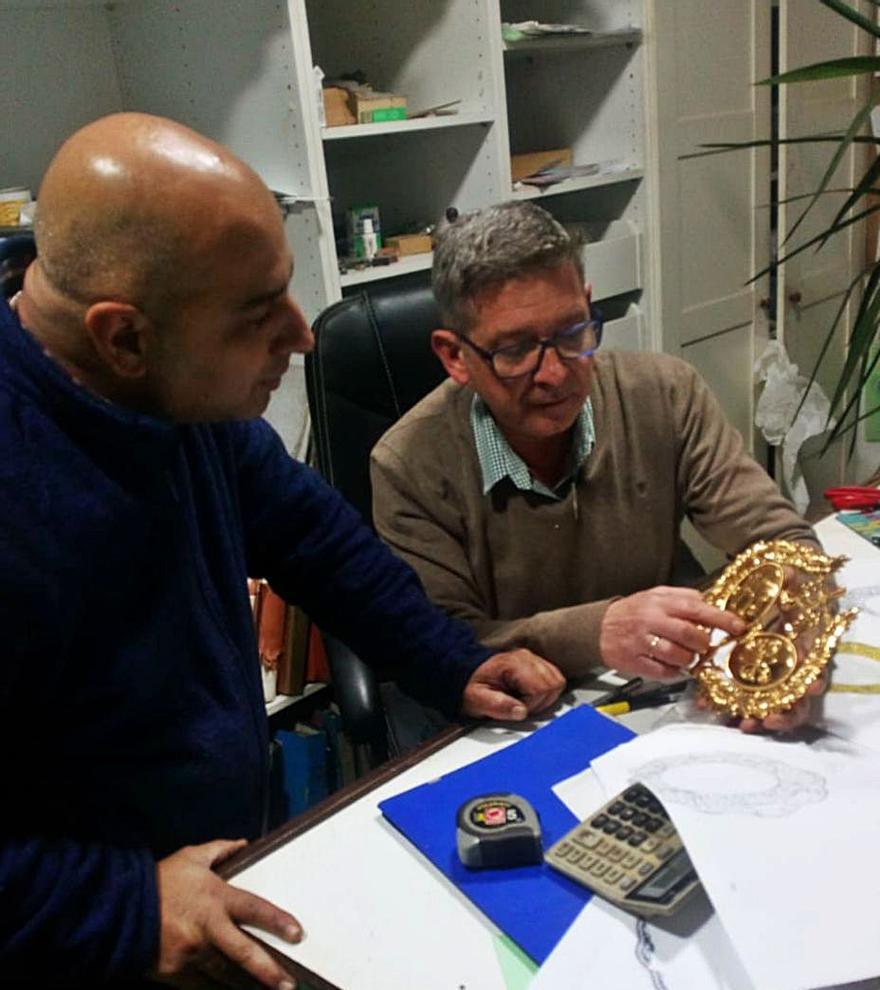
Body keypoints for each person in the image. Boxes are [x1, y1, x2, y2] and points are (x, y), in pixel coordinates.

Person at [0, 116, 566, 989]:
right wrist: (126, 905)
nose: (304, 337)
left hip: (210, 885)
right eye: (258, 317)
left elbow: (318, 540)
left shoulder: (173, 403)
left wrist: (453, 662)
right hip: (89, 934)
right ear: (123, 337)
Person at [371, 201, 823, 734]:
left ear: (587, 305)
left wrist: (793, 646)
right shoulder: (407, 464)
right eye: (515, 350)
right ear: (454, 356)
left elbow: (783, 543)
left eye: (571, 333)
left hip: (665, 701)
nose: (555, 374)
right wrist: (596, 630)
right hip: (519, 726)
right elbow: (441, 640)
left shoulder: (665, 393)